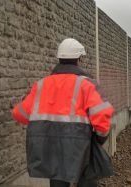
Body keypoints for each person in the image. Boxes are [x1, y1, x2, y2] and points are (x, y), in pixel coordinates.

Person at [12, 38, 114, 187]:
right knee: (86, 180)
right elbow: (102, 118)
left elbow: (20, 114)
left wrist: (19, 103)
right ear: (79, 59)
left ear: (59, 59)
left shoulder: (41, 85)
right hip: (80, 147)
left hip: (51, 148)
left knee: (57, 181)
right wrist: (99, 139)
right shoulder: (87, 84)